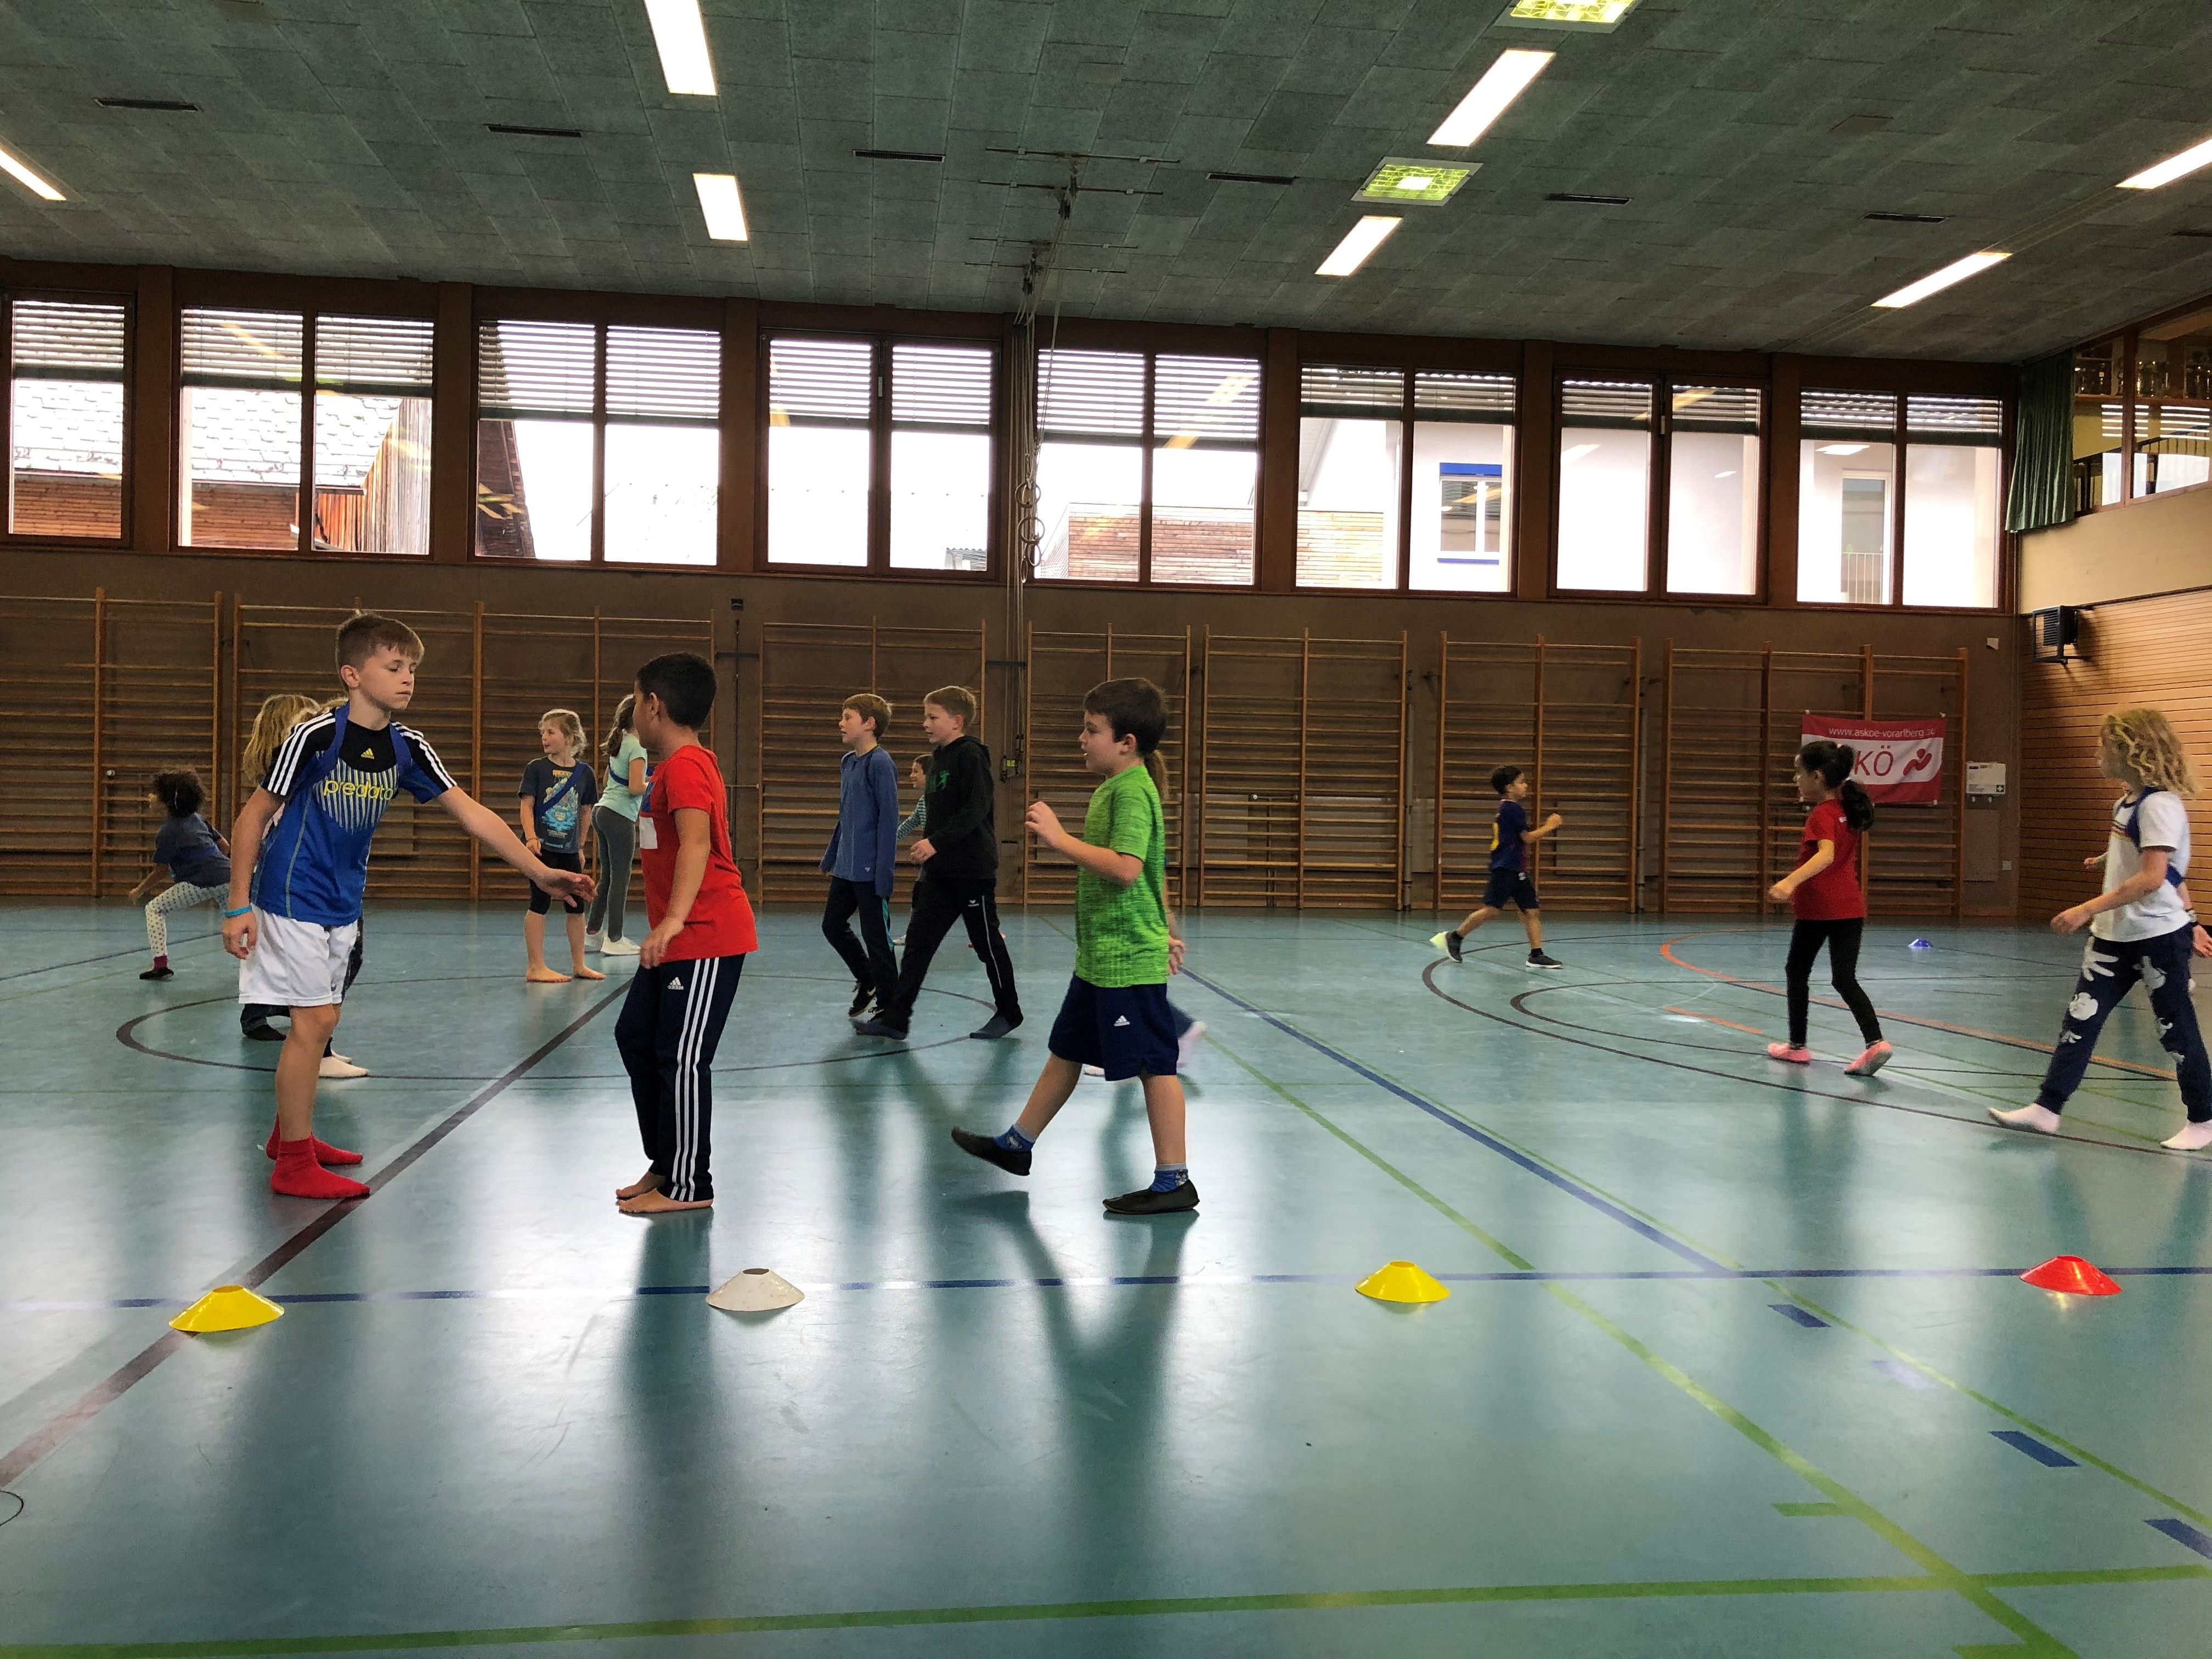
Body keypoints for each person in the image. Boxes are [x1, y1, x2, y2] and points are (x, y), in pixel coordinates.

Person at [223, 612, 591, 1200]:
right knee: (312, 1023)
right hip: (289, 897)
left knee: (324, 1022)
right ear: (351, 674)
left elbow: (472, 814)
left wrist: (542, 872)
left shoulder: (408, 747)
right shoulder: (314, 737)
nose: (407, 678)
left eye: (412, 668)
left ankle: (289, 1134)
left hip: (343, 902)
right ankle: (292, 1163)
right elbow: (253, 816)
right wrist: (237, 904)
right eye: (393, 666)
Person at [950, 678, 1193, 1214]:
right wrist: (1168, 925)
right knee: (1067, 1050)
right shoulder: (1117, 787)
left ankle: (1174, 1181)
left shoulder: (1131, 792)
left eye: (1092, 730)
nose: (1082, 738)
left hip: (1126, 959)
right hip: (1101, 958)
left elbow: (1128, 869)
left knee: (1155, 1066)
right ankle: (1017, 1145)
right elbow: (1153, 871)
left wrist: (1060, 840)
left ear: (1126, 743)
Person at [1993, 708, 2212, 1150]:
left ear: (2131, 750)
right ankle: (2047, 1108)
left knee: (2176, 1030)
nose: (2097, 753)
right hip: (2114, 938)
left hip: (2157, 939)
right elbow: (2148, 859)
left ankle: (2203, 1119)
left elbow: (2155, 877)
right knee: (2080, 1021)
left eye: (2103, 745)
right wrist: (2108, 860)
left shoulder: (2160, 805)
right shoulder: (2127, 803)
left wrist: (2085, 909)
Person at [612, 652, 757, 1216]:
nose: (634, 713)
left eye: (636, 701)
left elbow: (696, 843)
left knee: (683, 1057)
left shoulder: (688, 766)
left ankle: (691, 1184)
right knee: (635, 1037)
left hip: (706, 935)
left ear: (654, 706)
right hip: (677, 939)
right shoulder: (672, 767)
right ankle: (667, 1162)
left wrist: (673, 920)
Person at [854, 687, 1022, 1041]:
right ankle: (897, 1019)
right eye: (926, 716)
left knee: (986, 943)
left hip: (971, 871)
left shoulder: (971, 756)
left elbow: (976, 809)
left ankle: (1009, 1012)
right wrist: (931, 848)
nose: (925, 723)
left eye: (933, 717)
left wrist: (935, 842)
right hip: (940, 873)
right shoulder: (938, 759)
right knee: (918, 945)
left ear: (957, 721)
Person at [1764, 740, 1891, 1077]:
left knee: (1797, 971)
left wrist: (1789, 882)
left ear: (1818, 777)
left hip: (1819, 910)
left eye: (1800, 773)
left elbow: (1826, 855)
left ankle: (1797, 1047)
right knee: (1844, 979)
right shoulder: (1847, 808)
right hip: (1850, 908)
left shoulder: (1822, 814)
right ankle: (1876, 1043)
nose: (1796, 779)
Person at [1431, 765, 1564, 969]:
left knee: (1531, 911)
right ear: (1510, 788)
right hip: (1506, 868)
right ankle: (1455, 937)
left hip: (1517, 868)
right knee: (1492, 910)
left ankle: (1536, 954)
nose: (1526, 785)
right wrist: (1550, 826)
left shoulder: (1507, 808)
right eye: (1521, 782)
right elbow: (1527, 838)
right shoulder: (1512, 809)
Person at [820, 693, 900, 1019]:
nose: (841, 723)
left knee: (877, 938)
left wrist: (884, 874)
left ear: (869, 724)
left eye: (847, 717)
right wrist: (832, 856)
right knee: (832, 926)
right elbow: (846, 815)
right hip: (846, 868)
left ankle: (891, 1005)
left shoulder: (880, 763)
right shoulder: (847, 762)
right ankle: (868, 979)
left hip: (870, 871)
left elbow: (889, 821)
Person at [518, 708, 602, 985]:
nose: (544, 737)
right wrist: (531, 837)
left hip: (568, 850)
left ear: (569, 737)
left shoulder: (585, 773)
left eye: (550, 732)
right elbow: (527, 805)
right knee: (539, 903)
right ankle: (536, 965)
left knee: (577, 907)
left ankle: (579, 964)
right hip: (542, 849)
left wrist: (580, 846)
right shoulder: (537, 768)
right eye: (542, 732)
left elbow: (586, 811)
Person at [131, 770, 232, 981]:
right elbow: (224, 846)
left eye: (155, 794)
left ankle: (161, 965)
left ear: (167, 802)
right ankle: (263, 964)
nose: (150, 797)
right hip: (228, 877)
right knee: (236, 919)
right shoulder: (198, 819)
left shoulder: (168, 832)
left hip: (199, 883)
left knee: (154, 908)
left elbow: (161, 871)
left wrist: (139, 890)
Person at [586, 694, 648, 958]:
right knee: (621, 878)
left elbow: (607, 781)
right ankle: (614, 938)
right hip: (619, 816)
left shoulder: (619, 742)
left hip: (602, 811)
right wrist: (656, 783)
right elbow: (635, 788)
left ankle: (592, 933)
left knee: (608, 876)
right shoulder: (637, 747)